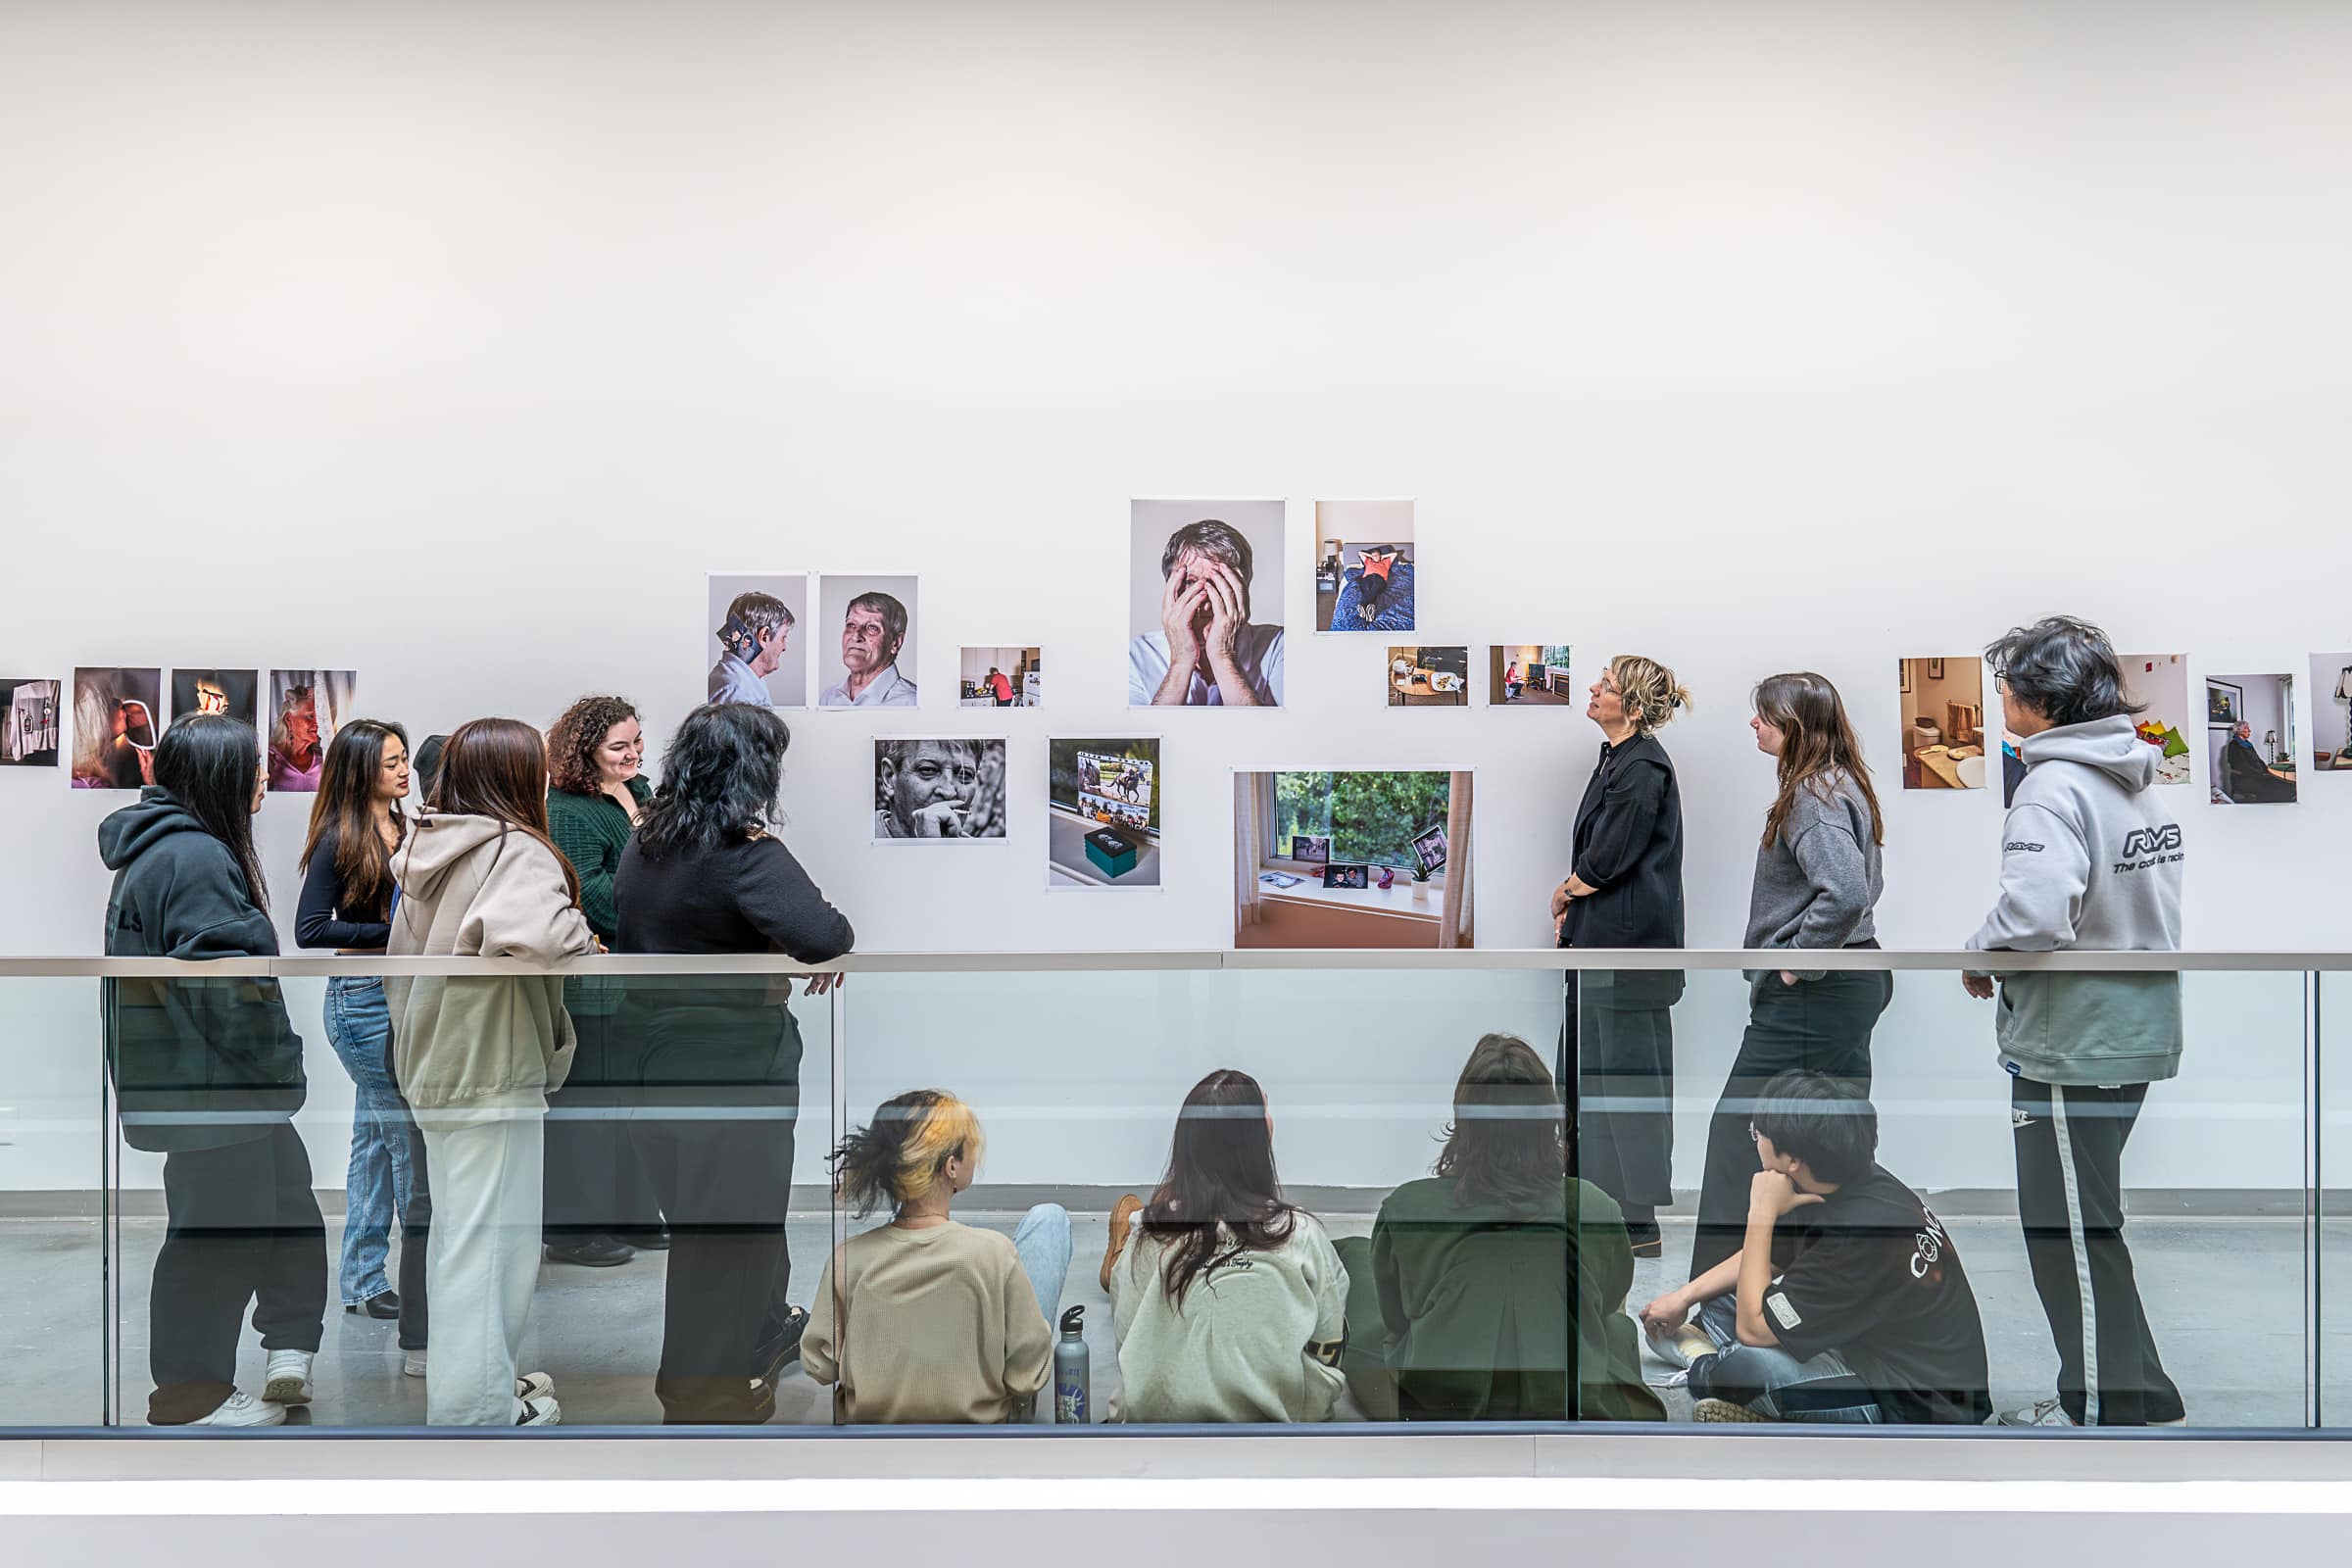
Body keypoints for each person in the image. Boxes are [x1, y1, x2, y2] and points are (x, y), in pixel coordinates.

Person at [1966, 616, 2186, 1428]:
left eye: (2005, 687)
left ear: (2035, 701)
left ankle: (2097, 1410)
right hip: (2134, 1029)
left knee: (2066, 1237)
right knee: (2091, 1226)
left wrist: (1976, 953)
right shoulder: (2133, 776)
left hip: (2073, 1043)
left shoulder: (2051, 788)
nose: (1999, 700)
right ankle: (2143, 1396)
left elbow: (2032, 918)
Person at [612, 702, 858, 1422]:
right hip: (732, 1066)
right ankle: (700, 1389)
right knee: (724, 1233)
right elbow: (825, 932)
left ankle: (758, 1335)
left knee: (723, 1222)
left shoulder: (646, 845)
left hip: (651, 1059)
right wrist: (798, 945)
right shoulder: (746, 852)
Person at [99, 713, 326, 1427]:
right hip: (212, 1091)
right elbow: (225, 986)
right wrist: (279, 1063)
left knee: (290, 1211)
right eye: (253, 765)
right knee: (212, 1241)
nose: (265, 775)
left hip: (211, 1089)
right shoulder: (194, 857)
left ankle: (289, 1346)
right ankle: (190, 1396)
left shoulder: (175, 849)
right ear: (219, 777)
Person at [385, 717, 597, 1427]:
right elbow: (541, 936)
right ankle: (474, 1413)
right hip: (491, 1067)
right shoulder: (514, 850)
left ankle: (484, 1385)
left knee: (463, 1237)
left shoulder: (431, 845)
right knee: (492, 1248)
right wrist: (582, 935)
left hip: (436, 1063)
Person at [1338, 1035, 1662, 1423]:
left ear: (1464, 1123)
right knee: (1614, 1326)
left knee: (1356, 1268)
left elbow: (1395, 1318)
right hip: (1569, 1396)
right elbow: (1610, 1297)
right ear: (1547, 1123)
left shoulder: (1408, 1208)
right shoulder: (1592, 1206)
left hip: (1441, 1400)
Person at [1640, 1071, 1991, 1425]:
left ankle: (1705, 1368)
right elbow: (1772, 1260)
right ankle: (1732, 1375)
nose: (1755, 1140)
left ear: (1792, 1159)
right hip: (1859, 1340)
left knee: (1749, 1362)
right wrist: (1683, 1297)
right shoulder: (1842, 1178)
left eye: (1757, 1133)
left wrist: (1760, 1213)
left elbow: (1753, 1331)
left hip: (1911, 1405)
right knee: (1719, 1298)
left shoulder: (1858, 1235)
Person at [1688, 673, 1891, 1279]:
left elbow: (1849, 892)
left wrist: (1797, 963)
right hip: (1852, 982)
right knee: (1833, 1141)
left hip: (1820, 994)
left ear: (1794, 727)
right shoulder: (1840, 782)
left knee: (1737, 1135)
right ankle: (1826, 1283)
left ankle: (1712, 1305)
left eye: (1765, 717)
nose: (1754, 725)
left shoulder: (1813, 796)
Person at [802, 1090, 1070, 1423]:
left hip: (873, 1440)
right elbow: (1026, 1376)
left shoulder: (847, 1260)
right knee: (1049, 1219)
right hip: (981, 1437)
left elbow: (819, 1363)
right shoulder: (993, 1254)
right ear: (952, 1166)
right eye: (971, 1147)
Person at [1098, 1070, 1348, 1423]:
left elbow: (1129, 1343)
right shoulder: (1301, 1234)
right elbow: (1327, 1349)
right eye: (1265, 1110)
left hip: (1156, 1440)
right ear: (1259, 1137)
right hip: (1275, 1438)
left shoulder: (1149, 1238)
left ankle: (1121, 1246)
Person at [1551, 654, 1690, 1257]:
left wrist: (1566, 891)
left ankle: (1635, 1224)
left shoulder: (1642, 770)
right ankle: (1596, 1208)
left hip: (1629, 961)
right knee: (1586, 1082)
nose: (1592, 688)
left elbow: (1607, 859)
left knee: (1626, 1090)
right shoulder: (1619, 761)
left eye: (1605, 686)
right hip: (1603, 953)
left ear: (1632, 706)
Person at [294, 718, 416, 1321]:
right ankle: (407, 1276)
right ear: (361, 769)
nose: (404, 770)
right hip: (360, 997)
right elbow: (310, 928)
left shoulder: (408, 825)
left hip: (400, 991)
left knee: (373, 1142)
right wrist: (391, 935)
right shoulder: (338, 836)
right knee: (404, 1139)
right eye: (392, 761)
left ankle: (363, 1283)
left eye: (405, 759)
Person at [541, 695, 663, 1268]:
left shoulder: (638, 792)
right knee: (585, 1111)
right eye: (620, 747)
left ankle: (632, 1214)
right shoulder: (566, 807)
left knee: (632, 1107)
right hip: (592, 983)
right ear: (584, 753)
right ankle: (573, 1229)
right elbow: (585, 889)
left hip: (635, 976)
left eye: (638, 741)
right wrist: (655, 913)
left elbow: (668, 858)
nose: (635, 753)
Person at [1128, 518, 1284, 707]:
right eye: (1190, 583)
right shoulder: (1135, 657)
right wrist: (1181, 661)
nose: (1206, 605)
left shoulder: (1279, 648)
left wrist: (1223, 655)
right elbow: (1150, 734)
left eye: (1219, 584)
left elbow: (1271, 736)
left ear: (1243, 590)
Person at [874, 738, 991, 839]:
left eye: (965, 775)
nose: (949, 792)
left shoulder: (981, 857)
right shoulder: (859, 840)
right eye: (928, 770)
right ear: (889, 777)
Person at [818, 591, 918, 707]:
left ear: (895, 643)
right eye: (851, 625)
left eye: (872, 628)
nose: (856, 636)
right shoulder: (829, 698)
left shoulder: (911, 702)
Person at [710, 591, 794, 707]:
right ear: (764, 636)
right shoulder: (738, 692)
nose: (784, 647)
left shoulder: (741, 680)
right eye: (783, 637)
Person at [2220, 719, 2295, 803]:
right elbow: (2242, 766)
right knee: (2274, 785)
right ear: (2238, 731)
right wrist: (2261, 775)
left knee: (2281, 782)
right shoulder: (2233, 746)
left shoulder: (2247, 743)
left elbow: (2258, 759)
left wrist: (2267, 770)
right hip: (2244, 779)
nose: (2250, 730)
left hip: (2257, 774)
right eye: (2247, 728)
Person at [267, 683, 324, 791]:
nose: (316, 723)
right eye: (310, 716)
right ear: (289, 720)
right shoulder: (268, 757)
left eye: (319, 718)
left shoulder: (322, 761)